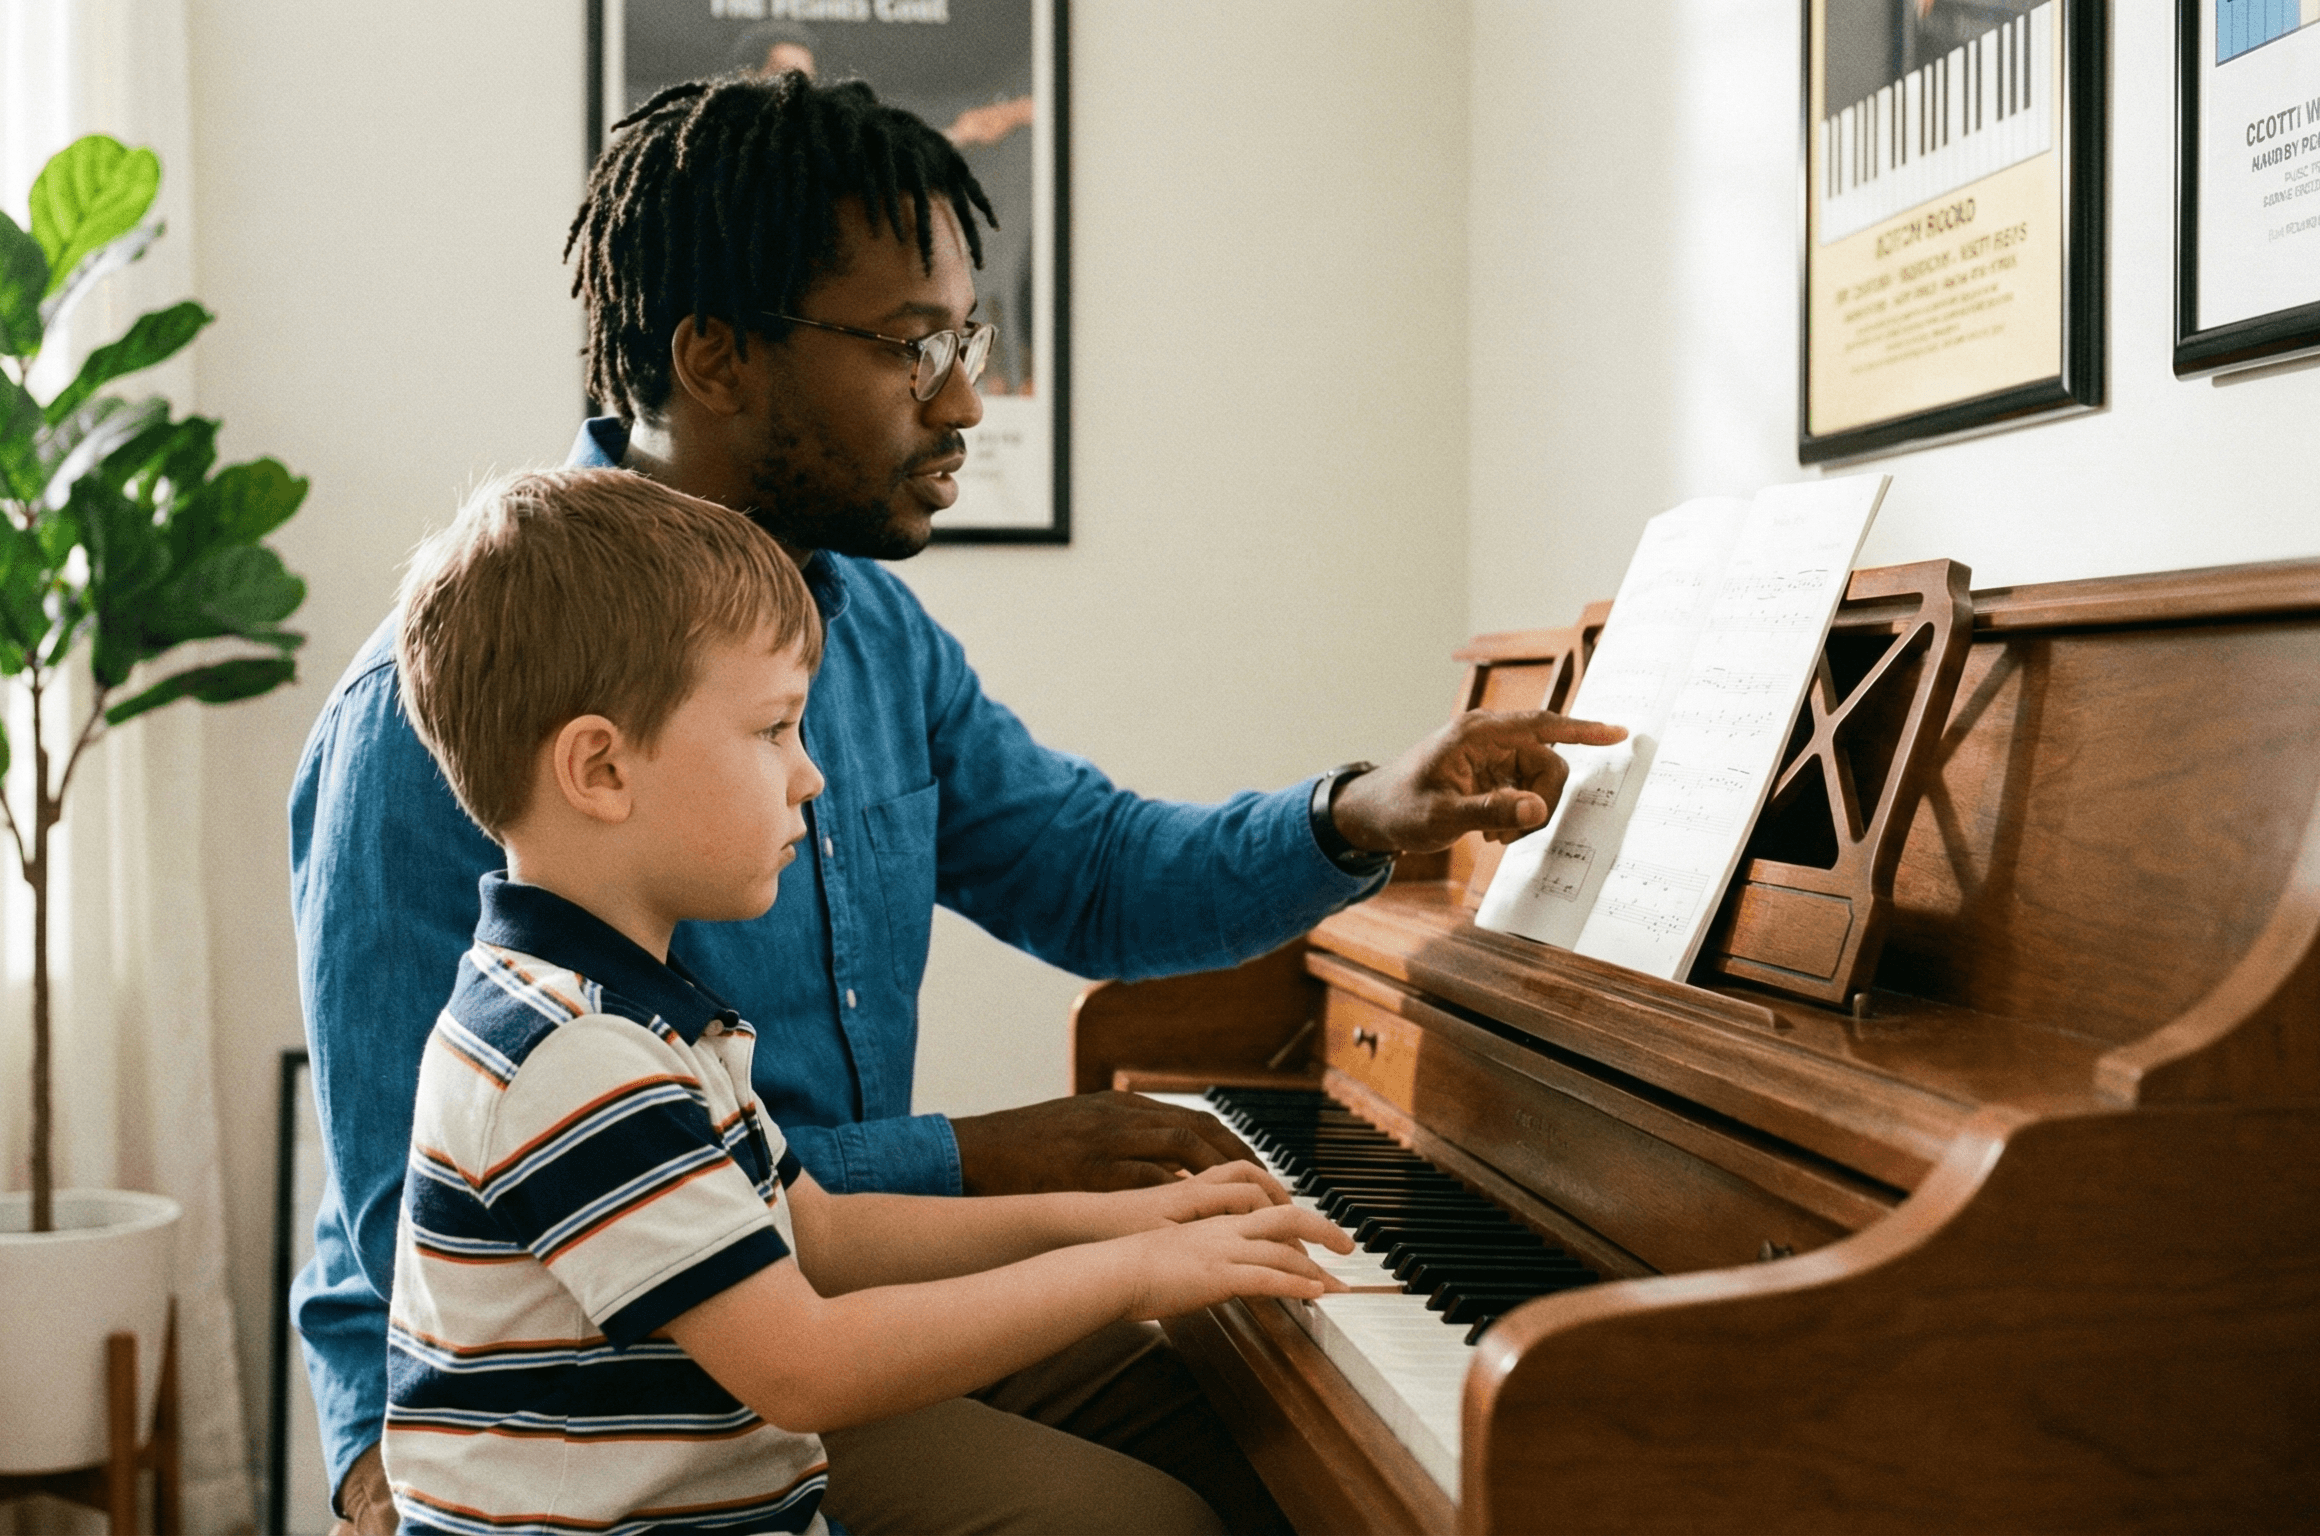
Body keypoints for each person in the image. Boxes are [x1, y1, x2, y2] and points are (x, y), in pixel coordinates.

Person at [291, 72, 1622, 1534]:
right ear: (717, 357)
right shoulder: (438, 721)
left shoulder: (867, 629)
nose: (966, 399)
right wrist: (983, 1160)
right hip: (612, 1401)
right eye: (912, 344)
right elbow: (406, 1204)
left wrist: (1360, 813)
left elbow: (1095, 874)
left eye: (966, 339)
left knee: (1271, 1409)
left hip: (809, 1287)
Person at [380, 467, 1352, 1535]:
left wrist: (1119, 1221)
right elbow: (809, 1368)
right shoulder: (568, 1056)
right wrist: (1129, 1272)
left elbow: (824, 1235)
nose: (812, 776)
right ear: (601, 769)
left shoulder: (638, 1014)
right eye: (774, 730)